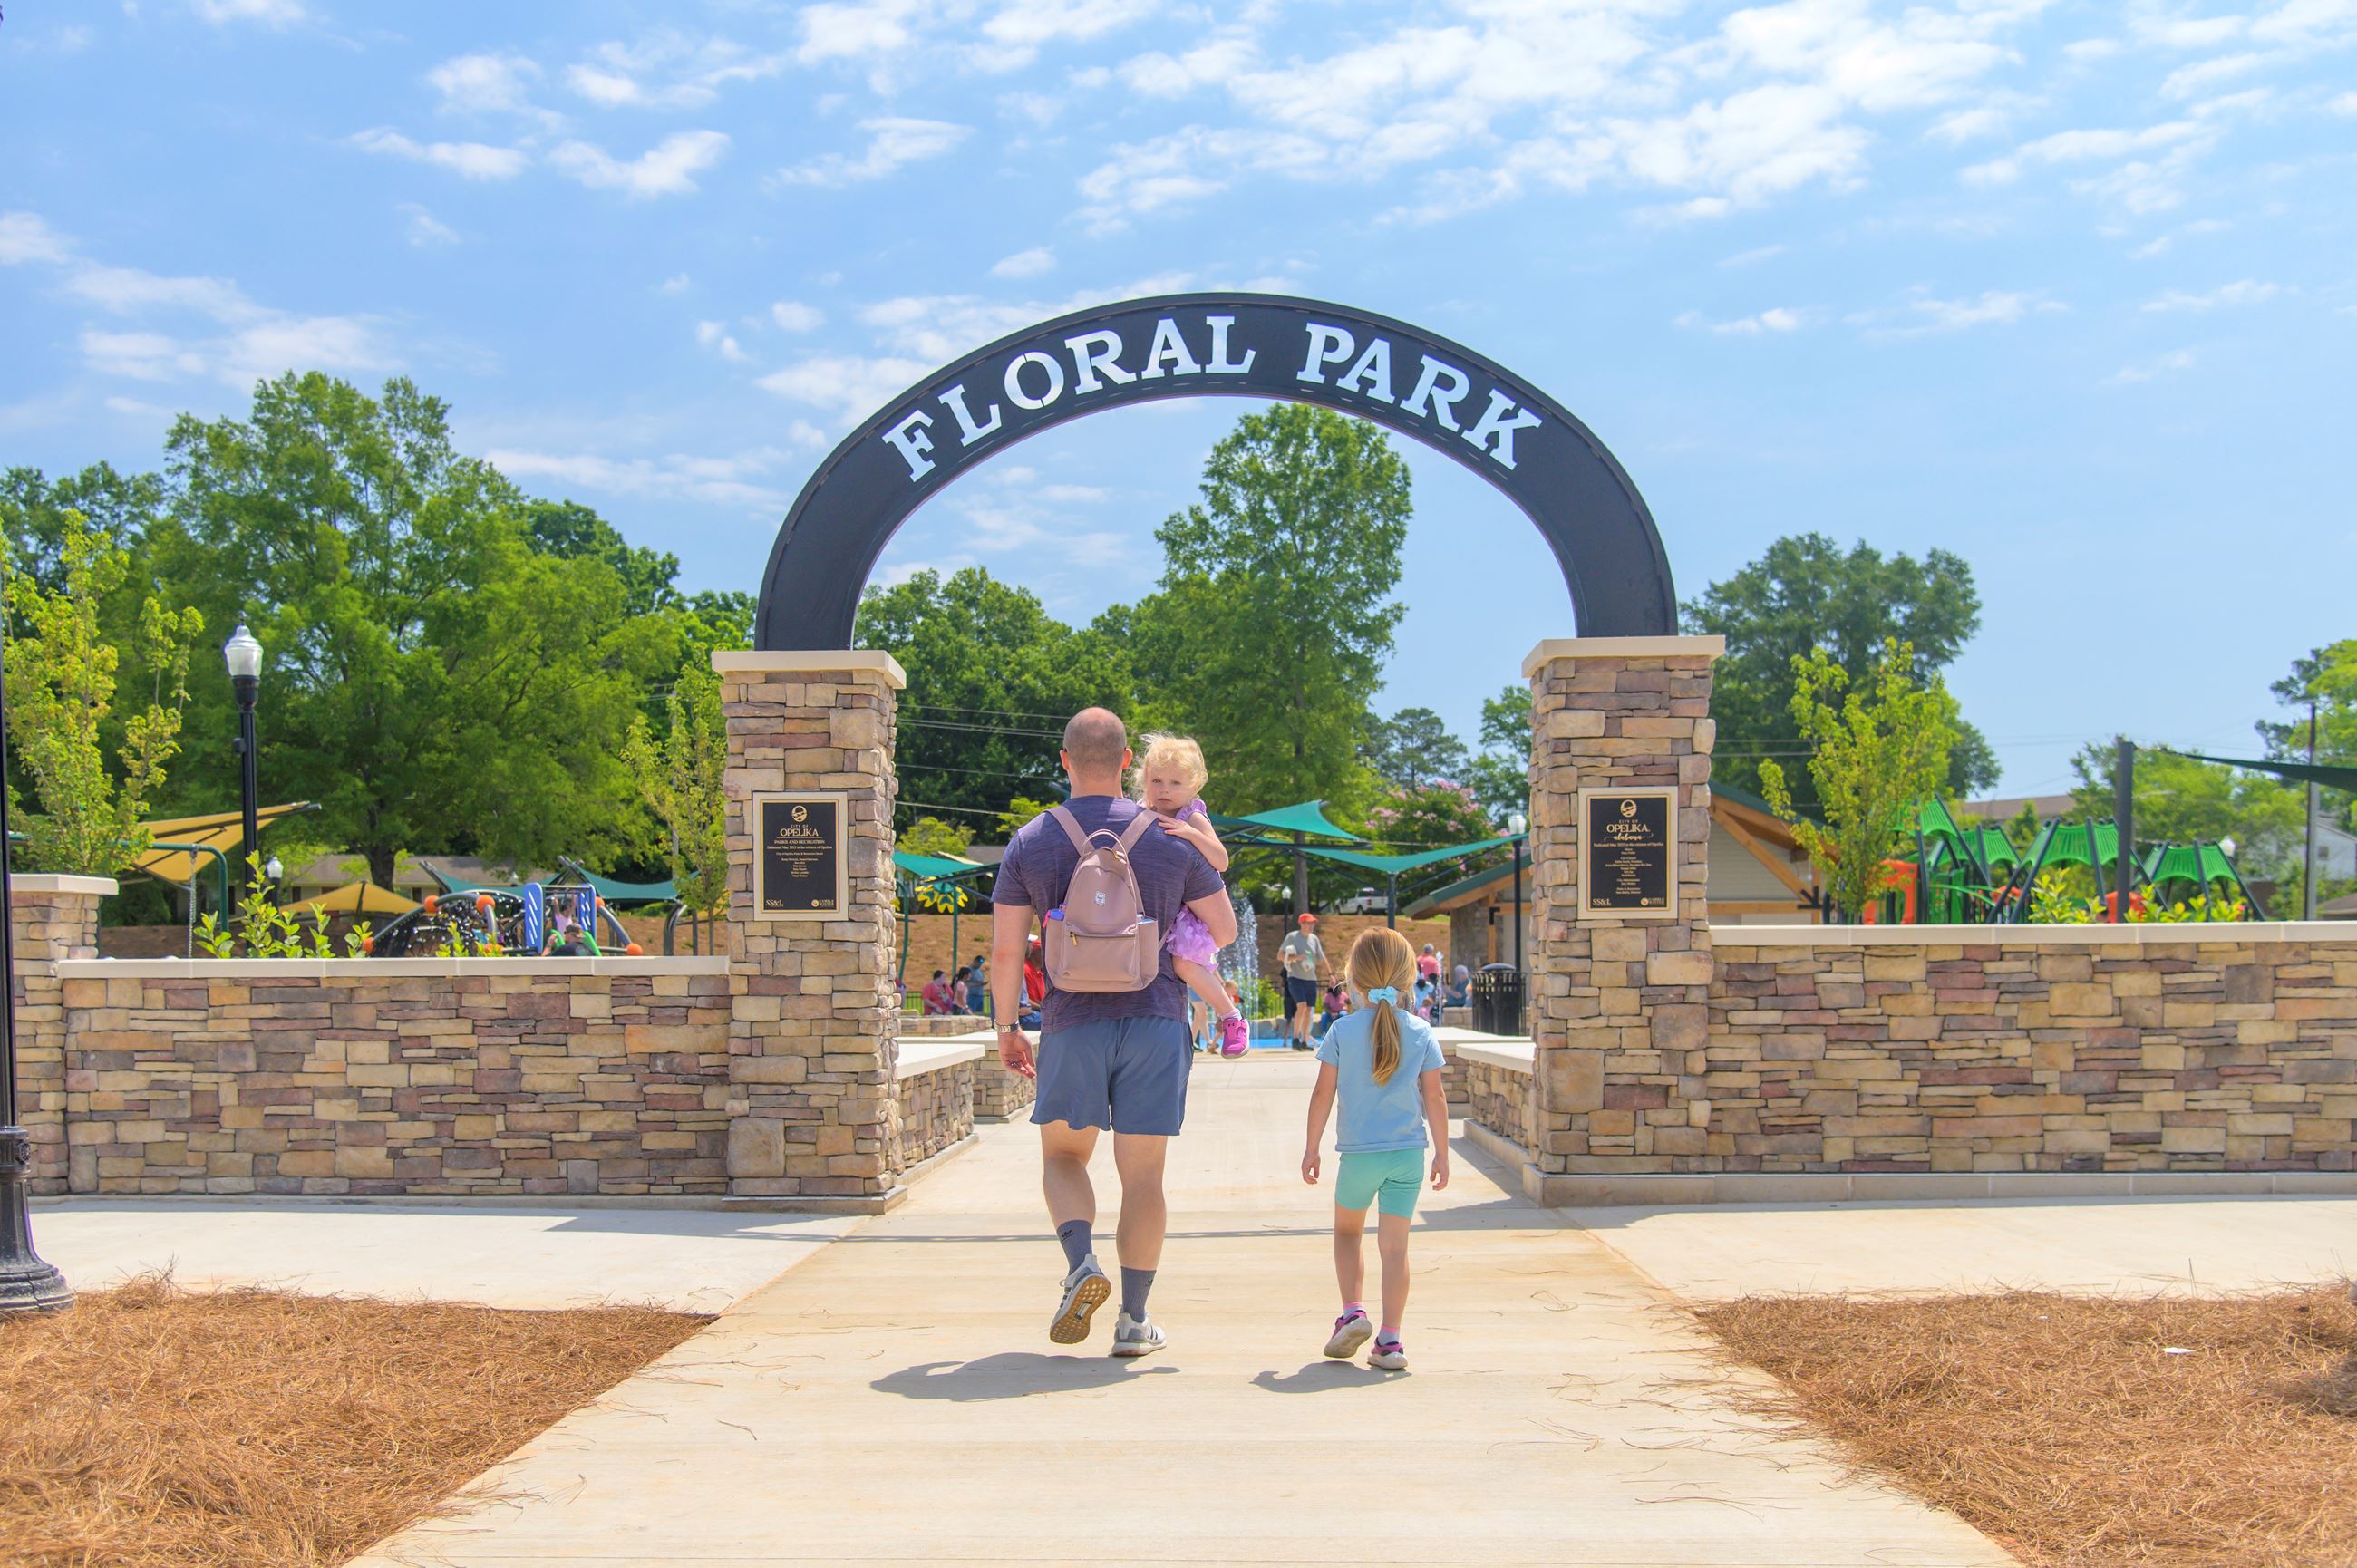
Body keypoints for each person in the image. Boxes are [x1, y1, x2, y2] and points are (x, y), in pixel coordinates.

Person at [991, 707, 1239, 1359]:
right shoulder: (1171, 831)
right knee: (1144, 1178)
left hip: (1072, 1022)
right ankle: (1134, 1321)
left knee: (1063, 1157)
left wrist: (1008, 1026)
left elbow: (1005, 952)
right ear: (1129, 762)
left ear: (1065, 759)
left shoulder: (1030, 842)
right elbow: (1223, 929)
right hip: (1156, 1018)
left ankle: (1080, 1265)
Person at [1301, 927, 1450, 1372]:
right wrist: (1442, 1154)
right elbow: (1436, 1099)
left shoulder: (1342, 1031)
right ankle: (1390, 1342)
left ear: (1353, 978)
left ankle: (1352, 1312)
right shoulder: (1421, 1031)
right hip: (1408, 1157)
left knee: (1348, 1232)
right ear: (1408, 978)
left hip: (1359, 1157)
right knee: (1396, 1249)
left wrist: (1312, 1149)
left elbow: (1321, 1095)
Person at [1132, 733, 1248, 1058]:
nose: (1164, 790)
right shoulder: (1140, 811)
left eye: (1175, 782)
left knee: (1185, 963)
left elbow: (1221, 860)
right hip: (1170, 907)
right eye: (1156, 780)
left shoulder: (1191, 815)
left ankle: (1232, 1017)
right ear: (1144, 780)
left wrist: (1191, 833)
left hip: (1196, 910)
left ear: (1194, 786)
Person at [1278, 913, 1327, 1050]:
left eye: (1313, 923)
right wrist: (1297, 957)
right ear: (1301, 924)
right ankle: (1295, 1039)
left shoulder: (1314, 939)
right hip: (1295, 977)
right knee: (1302, 1006)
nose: (1311, 926)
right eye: (1308, 923)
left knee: (1309, 1010)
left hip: (1311, 979)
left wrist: (1331, 974)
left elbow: (1322, 958)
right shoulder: (1292, 937)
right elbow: (1280, 956)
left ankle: (1305, 1042)